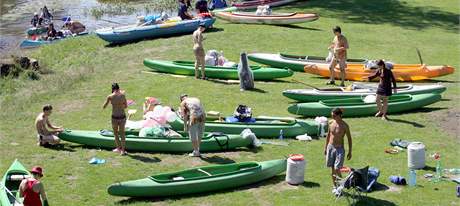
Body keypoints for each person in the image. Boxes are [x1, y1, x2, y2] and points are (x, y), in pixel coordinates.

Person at [324, 108, 352, 196]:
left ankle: (341, 186)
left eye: (334, 115)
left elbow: (349, 139)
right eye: (332, 115)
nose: (332, 116)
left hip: (339, 149)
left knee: (337, 168)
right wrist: (325, 147)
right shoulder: (331, 123)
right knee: (332, 168)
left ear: (339, 115)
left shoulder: (345, 126)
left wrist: (350, 151)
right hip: (330, 147)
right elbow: (328, 135)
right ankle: (335, 187)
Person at [103, 83, 128, 155]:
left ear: (112, 89)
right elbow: (126, 106)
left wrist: (109, 100)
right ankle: (123, 151)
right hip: (122, 116)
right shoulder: (123, 95)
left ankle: (118, 149)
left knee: (116, 133)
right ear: (118, 88)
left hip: (114, 117)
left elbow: (104, 106)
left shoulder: (110, 96)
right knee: (122, 134)